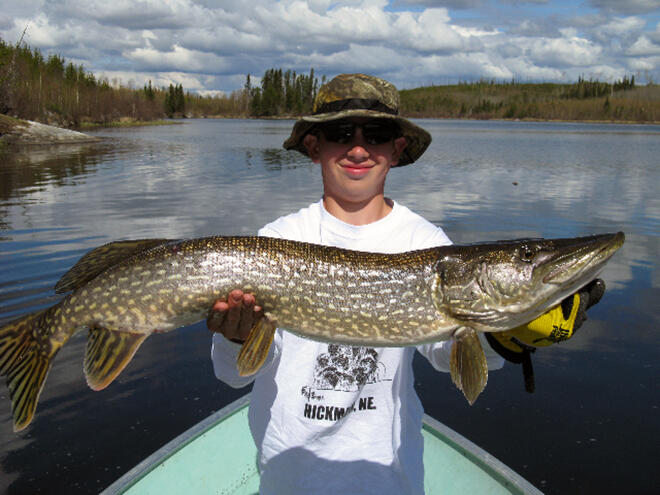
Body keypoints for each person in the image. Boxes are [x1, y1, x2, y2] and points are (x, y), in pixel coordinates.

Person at [207, 73, 604, 494]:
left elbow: (448, 350)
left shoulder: (425, 241)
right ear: (313, 146)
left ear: (396, 149)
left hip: (389, 481)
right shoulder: (275, 241)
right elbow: (233, 376)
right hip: (291, 480)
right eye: (341, 133)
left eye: (376, 134)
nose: (358, 148)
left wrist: (507, 338)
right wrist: (237, 339)